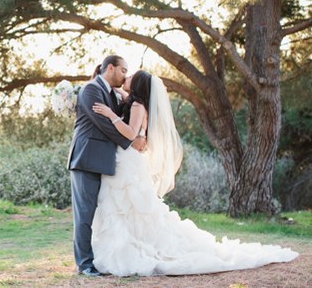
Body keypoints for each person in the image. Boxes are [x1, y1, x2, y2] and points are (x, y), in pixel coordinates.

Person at [90, 70, 298, 276]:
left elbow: (130, 133)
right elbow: (120, 98)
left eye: (129, 78)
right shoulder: (134, 101)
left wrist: (110, 115)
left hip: (128, 162)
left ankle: (129, 248)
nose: (125, 79)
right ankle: (122, 245)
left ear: (136, 86)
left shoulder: (137, 105)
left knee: (128, 206)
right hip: (128, 159)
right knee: (126, 207)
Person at [67, 55, 147, 277]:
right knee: (85, 214)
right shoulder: (91, 89)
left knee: (104, 214)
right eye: (123, 70)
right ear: (110, 68)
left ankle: (101, 258)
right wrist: (132, 141)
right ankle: (84, 264)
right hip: (86, 159)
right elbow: (104, 125)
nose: (124, 75)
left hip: (104, 161)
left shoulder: (113, 94)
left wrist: (139, 134)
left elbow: (125, 119)